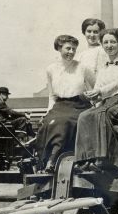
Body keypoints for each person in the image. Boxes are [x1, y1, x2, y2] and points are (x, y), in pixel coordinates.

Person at [74, 28, 118, 172]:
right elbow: (98, 87)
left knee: (101, 114)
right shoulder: (104, 66)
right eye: (106, 42)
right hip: (106, 103)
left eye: (113, 42)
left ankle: (104, 158)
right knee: (84, 116)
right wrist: (93, 98)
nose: (109, 45)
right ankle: (83, 159)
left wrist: (100, 92)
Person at [35, 34, 91, 172]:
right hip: (59, 105)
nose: (71, 52)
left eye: (74, 49)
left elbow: (96, 87)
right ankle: (42, 162)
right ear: (59, 48)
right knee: (47, 123)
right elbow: (52, 95)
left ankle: (53, 160)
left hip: (78, 105)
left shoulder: (83, 68)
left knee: (64, 122)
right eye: (68, 48)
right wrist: (48, 111)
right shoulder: (51, 69)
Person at [76, 18, 107, 89]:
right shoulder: (81, 54)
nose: (92, 35)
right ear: (84, 32)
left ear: (100, 33)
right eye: (89, 31)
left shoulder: (103, 51)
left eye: (96, 32)